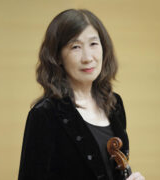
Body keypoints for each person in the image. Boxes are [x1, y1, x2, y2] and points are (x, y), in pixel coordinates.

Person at [18, 9, 145, 180]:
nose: (87, 57)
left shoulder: (114, 104)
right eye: (75, 47)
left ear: (103, 47)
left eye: (93, 44)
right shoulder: (45, 114)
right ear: (58, 57)